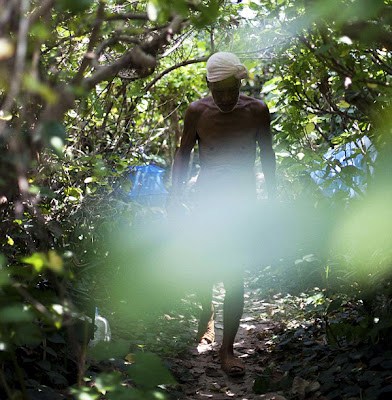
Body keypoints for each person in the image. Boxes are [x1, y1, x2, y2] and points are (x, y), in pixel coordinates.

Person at [169, 52, 276, 377]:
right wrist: (173, 196)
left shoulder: (256, 111)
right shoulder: (197, 112)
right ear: (209, 86)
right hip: (207, 200)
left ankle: (227, 350)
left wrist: (272, 199)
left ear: (239, 83)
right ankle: (207, 309)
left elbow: (268, 155)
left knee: (233, 274)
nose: (227, 98)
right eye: (220, 91)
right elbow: (183, 153)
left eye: (232, 89)